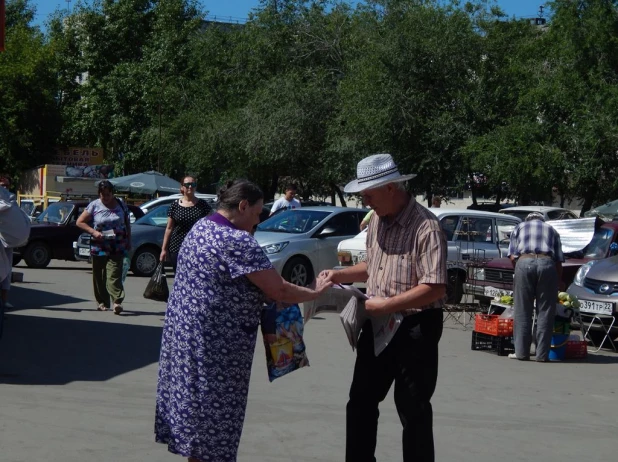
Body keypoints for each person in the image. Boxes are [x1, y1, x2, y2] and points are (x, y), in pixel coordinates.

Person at [154, 179, 331, 462]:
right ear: (243, 206)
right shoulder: (236, 241)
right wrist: (316, 292)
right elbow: (279, 289)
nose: (259, 220)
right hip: (216, 350)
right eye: (258, 212)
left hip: (186, 341)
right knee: (216, 424)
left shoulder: (202, 227)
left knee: (199, 422)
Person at [319, 153, 447, 462]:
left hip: (416, 327)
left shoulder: (426, 227)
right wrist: (338, 274)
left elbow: (435, 287)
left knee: (413, 409)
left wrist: (387, 304)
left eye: (369, 195)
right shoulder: (377, 220)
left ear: (391, 187)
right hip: (377, 322)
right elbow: (372, 266)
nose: (366, 202)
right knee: (360, 401)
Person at [507, 212, 564, 362]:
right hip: (547, 264)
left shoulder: (519, 227)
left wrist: (519, 270)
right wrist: (559, 281)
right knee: (545, 311)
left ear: (528, 220)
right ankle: (542, 355)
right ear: (542, 220)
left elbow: (512, 256)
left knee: (522, 309)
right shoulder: (552, 230)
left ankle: (521, 353)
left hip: (524, 262)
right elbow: (558, 260)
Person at [76, 180, 131, 315]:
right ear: (99, 194)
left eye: (108, 194)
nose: (105, 197)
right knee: (99, 274)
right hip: (99, 244)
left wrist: (129, 240)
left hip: (117, 244)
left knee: (114, 273)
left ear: (112, 193)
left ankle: (117, 301)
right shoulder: (94, 205)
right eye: (103, 195)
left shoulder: (121, 205)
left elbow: (127, 224)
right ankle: (102, 302)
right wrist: (94, 232)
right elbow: (79, 222)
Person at [160, 176, 212, 271]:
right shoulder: (175, 205)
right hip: (176, 247)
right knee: (179, 276)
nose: (190, 187)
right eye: (187, 184)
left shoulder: (203, 205)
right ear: (182, 187)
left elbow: (209, 227)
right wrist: (164, 249)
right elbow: (169, 228)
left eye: (193, 184)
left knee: (195, 277)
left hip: (197, 247)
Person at [0, 175, 16, 310]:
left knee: (6, 271)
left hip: (6, 241)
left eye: (7, 186)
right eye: (2, 185)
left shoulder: (11, 198)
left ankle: (4, 300)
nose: (4, 188)